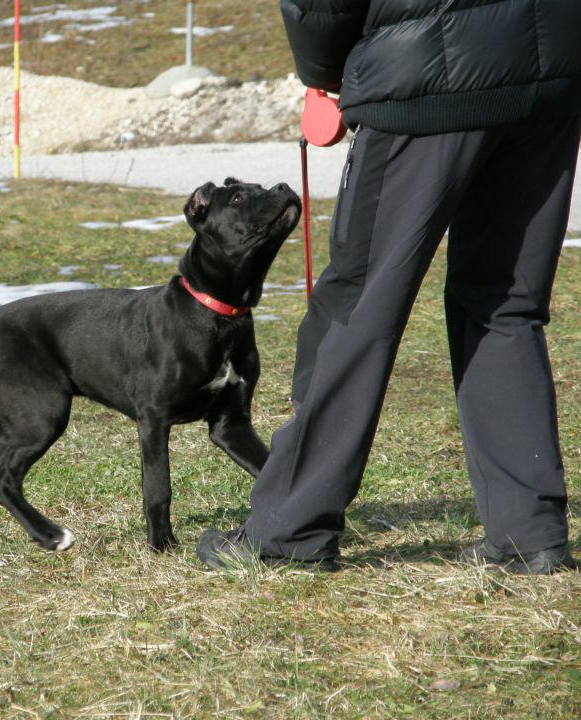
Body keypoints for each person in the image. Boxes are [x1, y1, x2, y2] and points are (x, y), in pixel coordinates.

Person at [197, 0, 581, 574]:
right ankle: (531, 535)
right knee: (504, 303)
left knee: (356, 303)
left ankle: (288, 529)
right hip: (554, 59)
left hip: (423, 73)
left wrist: (323, 71)